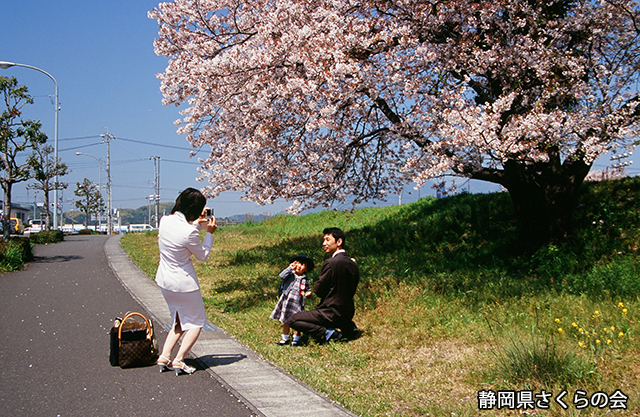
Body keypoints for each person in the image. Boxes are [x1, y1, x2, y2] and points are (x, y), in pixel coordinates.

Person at [155, 188, 217, 375]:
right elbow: (203, 256)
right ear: (195, 209)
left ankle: (164, 356)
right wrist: (210, 233)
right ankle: (179, 360)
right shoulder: (190, 232)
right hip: (184, 284)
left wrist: (198, 225)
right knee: (197, 323)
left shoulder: (164, 220)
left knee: (178, 321)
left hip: (165, 281)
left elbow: (181, 233)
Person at [287, 227, 360, 344]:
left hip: (330, 312)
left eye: (327, 240)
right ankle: (347, 326)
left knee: (293, 320)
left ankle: (330, 333)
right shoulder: (353, 263)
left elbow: (318, 290)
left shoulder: (330, 263)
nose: (324, 243)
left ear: (339, 242)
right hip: (348, 311)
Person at [270, 254, 314, 346]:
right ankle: (284, 338)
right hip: (287, 301)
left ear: (306, 269)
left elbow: (307, 290)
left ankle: (296, 339)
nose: (298, 266)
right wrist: (290, 268)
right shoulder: (290, 275)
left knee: (297, 322)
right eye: (297, 263)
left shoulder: (305, 279)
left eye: (302, 265)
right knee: (286, 320)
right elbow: (281, 276)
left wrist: (308, 294)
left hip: (297, 303)